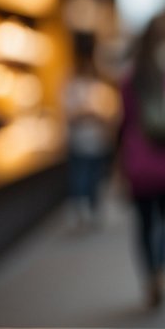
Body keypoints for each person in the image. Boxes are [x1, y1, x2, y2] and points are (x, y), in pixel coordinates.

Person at [117, 16, 165, 308]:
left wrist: (118, 158)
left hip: (141, 159)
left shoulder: (130, 78)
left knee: (145, 223)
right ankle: (163, 271)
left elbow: (124, 121)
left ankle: (150, 277)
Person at [61, 33, 119, 228]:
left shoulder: (101, 86)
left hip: (98, 139)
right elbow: (68, 113)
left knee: (94, 176)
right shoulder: (72, 85)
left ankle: (92, 208)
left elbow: (111, 113)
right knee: (80, 175)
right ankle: (81, 207)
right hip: (80, 139)